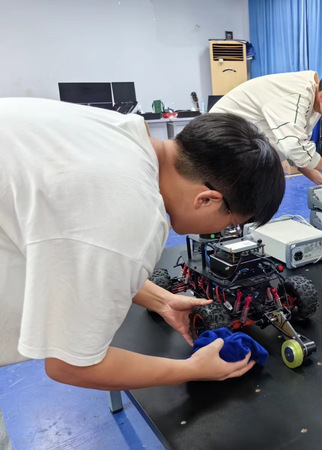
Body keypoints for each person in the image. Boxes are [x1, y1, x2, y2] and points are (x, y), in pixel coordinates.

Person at [0, 98, 286, 390]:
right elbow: (71, 366)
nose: (228, 232)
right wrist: (193, 369)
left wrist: (162, 300)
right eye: (232, 224)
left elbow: (81, 259)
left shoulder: (127, 132)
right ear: (207, 200)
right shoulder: (132, 217)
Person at [210, 67, 322, 185]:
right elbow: (294, 147)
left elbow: (297, 150)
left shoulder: (313, 103)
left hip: (241, 155)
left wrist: (319, 178)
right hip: (220, 147)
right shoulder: (297, 95)